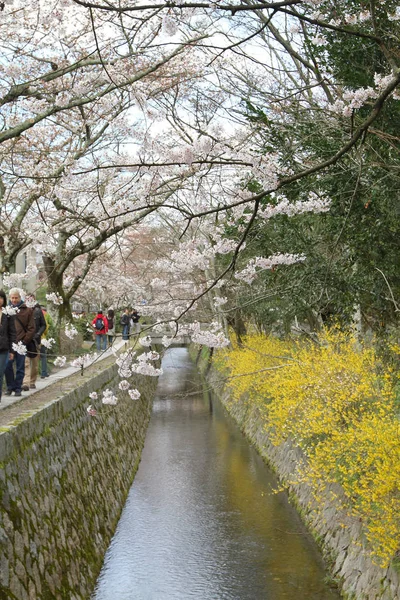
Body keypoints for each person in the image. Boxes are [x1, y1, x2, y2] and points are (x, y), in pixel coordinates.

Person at [5, 288, 35, 397]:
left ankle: (18, 388)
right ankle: (10, 386)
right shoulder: (5, 310)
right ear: (9, 298)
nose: (14, 300)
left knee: (20, 367)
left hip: (21, 342)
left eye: (16, 298)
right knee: (7, 366)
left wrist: (25, 340)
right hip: (9, 343)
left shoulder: (27, 310)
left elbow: (32, 328)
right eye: (12, 298)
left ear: (19, 298)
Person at [22, 293, 46, 391]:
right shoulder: (22, 311)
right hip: (25, 339)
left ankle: (32, 381)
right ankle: (26, 382)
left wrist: (38, 334)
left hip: (35, 340)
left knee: (35, 363)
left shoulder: (38, 311)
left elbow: (43, 325)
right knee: (26, 362)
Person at [0, 290, 16, 402]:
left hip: (3, 347)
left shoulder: (7, 313)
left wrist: (12, 350)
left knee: (0, 372)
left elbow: (12, 332)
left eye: (1, 298)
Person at [40, 306, 53, 379]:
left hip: (32, 339)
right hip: (42, 338)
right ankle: (44, 372)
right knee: (43, 356)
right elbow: (48, 325)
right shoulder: (46, 315)